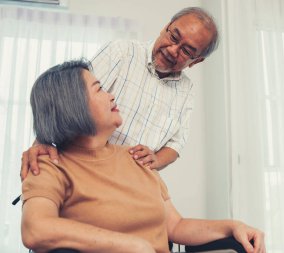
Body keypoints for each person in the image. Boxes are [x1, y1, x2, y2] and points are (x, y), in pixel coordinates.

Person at [21, 59, 266, 253]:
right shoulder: (48, 163)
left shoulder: (136, 158)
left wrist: (233, 226)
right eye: (100, 89)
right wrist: (131, 245)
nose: (112, 95)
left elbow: (176, 226)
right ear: (73, 105)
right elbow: (36, 229)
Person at [20, 6, 219, 178]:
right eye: (173, 37)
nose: (173, 50)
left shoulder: (186, 91)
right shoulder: (122, 52)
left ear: (196, 61)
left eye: (186, 51)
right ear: (164, 27)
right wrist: (42, 141)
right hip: (84, 169)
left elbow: (177, 143)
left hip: (133, 183)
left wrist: (156, 159)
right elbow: (72, 98)